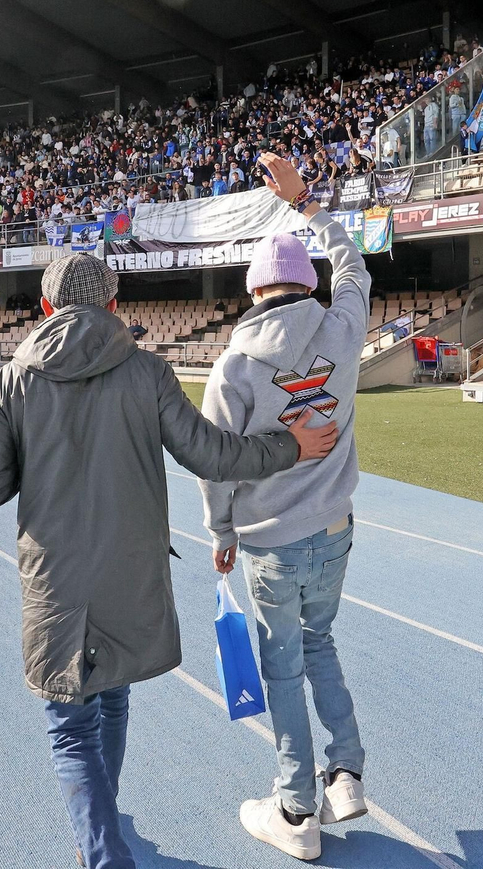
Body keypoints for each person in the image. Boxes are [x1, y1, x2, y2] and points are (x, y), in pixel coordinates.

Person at [0, 252, 338, 869]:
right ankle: (102, 819)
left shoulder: (13, 379)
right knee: (111, 697)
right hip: (131, 575)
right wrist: (290, 445)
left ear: (47, 307)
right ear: (113, 306)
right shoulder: (147, 373)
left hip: (56, 582)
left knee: (69, 726)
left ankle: (104, 853)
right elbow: (213, 455)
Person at [199, 152, 370, 862]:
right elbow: (354, 263)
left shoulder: (234, 366)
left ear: (254, 289)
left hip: (269, 540)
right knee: (321, 642)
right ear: (307, 282)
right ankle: (348, 773)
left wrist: (220, 530)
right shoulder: (343, 326)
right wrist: (304, 204)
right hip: (335, 530)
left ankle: (297, 807)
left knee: (282, 668)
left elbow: (216, 464)